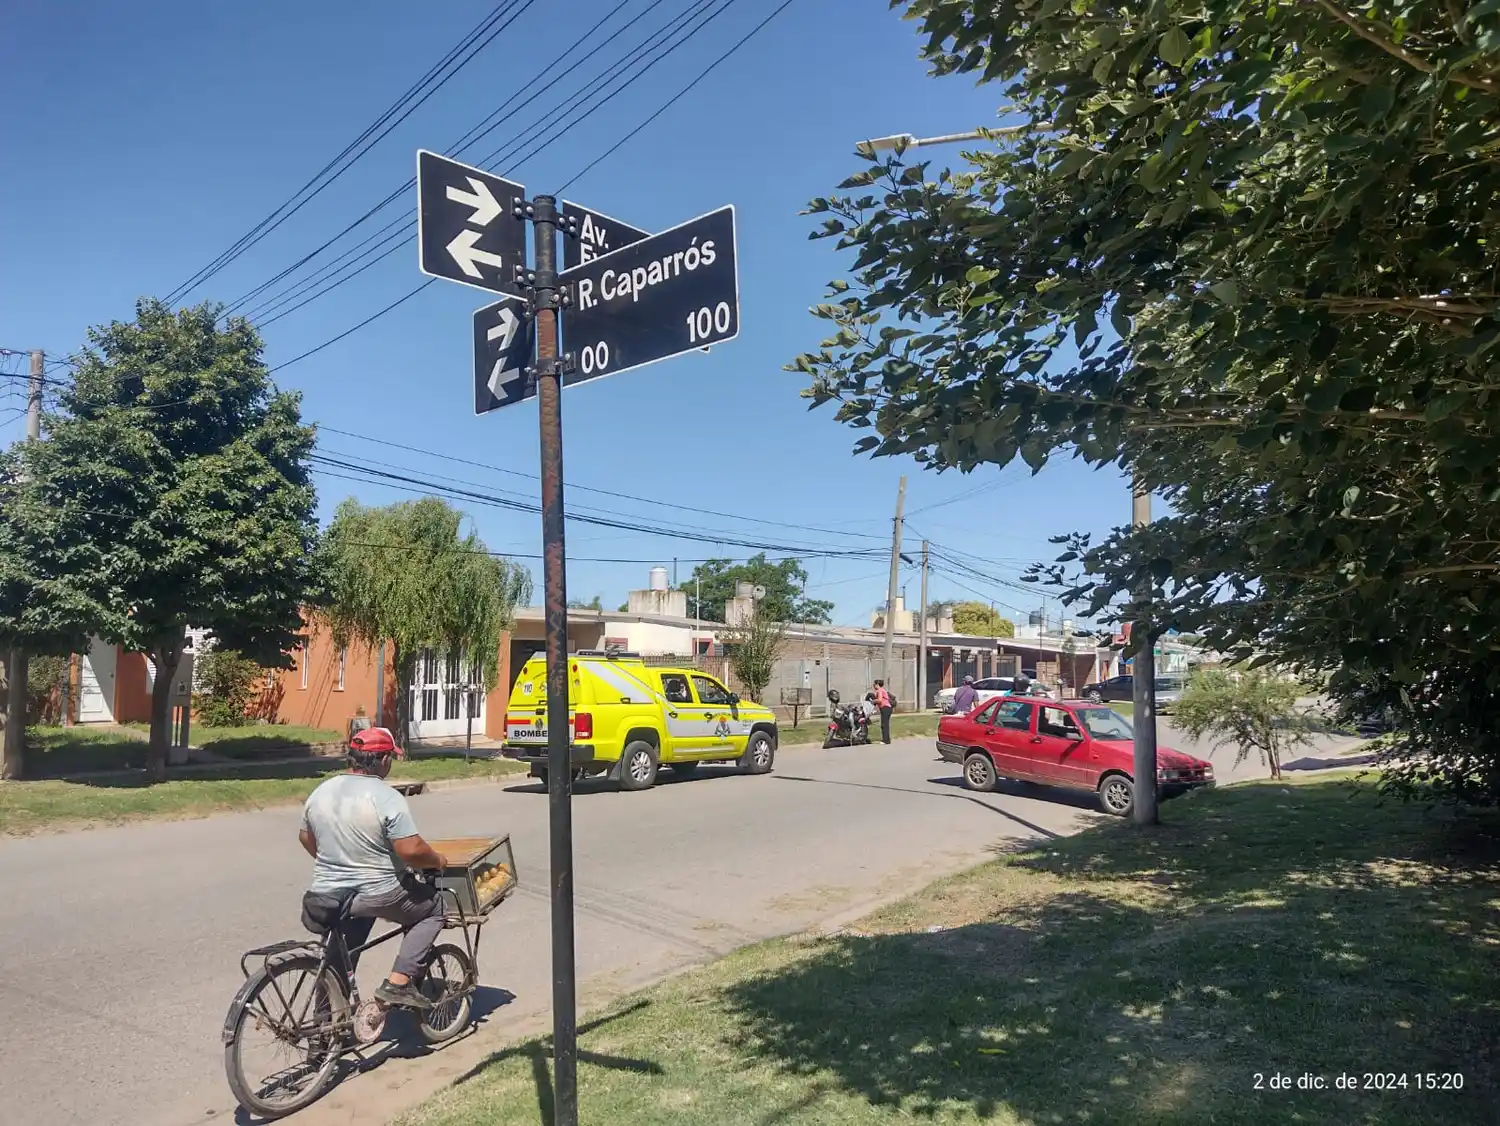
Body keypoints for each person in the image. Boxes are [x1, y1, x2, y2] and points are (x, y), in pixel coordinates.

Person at [298, 727, 448, 1010]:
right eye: (390, 757)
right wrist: (437, 860)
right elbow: (411, 850)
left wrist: (337, 863)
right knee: (434, 909)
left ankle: (324, 1033)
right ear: (382, 760)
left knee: (339, 958)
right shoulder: (386, 796)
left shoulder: (322, 791)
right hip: (378, 892)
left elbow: (306, 838)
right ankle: (399, 983)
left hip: (329, 894)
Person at [872, 679, 893, 744]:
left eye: (874, 684)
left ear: (877, 684)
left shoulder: (880, 690)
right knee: (884, 724)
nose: (873, 686)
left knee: (884, 724)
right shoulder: (881, 690)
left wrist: (873, 701)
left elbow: (880, 700)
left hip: (885, 708)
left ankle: (886, 740)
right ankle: (886, 739)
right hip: (885, 708)